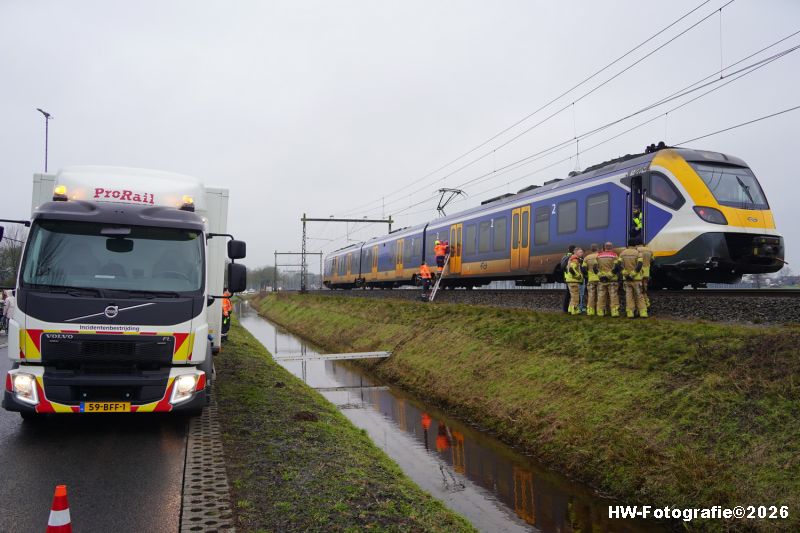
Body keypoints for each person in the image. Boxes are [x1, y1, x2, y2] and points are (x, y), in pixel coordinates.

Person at [619, 245, 648, 318]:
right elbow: (640, 265)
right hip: (637, 279)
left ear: (628, 245)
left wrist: (626, 274)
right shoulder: (638, 253)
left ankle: (630, 313)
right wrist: (632, 274)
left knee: (629, 296)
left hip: (627, 279)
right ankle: (643, 312)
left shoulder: (622, 253)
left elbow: (619, 265)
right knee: (639, 296)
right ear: (635, 245)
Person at [595, 242, 620, 317]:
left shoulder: (598, 256)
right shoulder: (614, 255)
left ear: (604, 247)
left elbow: (595, 268)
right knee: (613, 296)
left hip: (602, 280)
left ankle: (600, 311)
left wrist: (601, 276)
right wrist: (609, 276)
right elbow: (616, 267)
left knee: (601, 296)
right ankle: (614, 312)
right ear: (611, 247)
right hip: (612, 280)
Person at [564, 247, 584, 315]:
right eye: (580, 252)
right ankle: (575, 311)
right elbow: (571, 269)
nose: (582, 253)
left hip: (570, 280)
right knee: (576, 297)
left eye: (582, 252)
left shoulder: (572, 258)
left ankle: (570, 309)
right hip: (574, 280)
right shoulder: (575, 260)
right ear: (576, 252)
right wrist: (578, 276)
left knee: (573, 296)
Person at [582, 244, 600, 316]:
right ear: (597, 249)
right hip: (599, 278)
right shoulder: (600, 256)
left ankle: (590, 311)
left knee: (591, 295)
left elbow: (583, 269)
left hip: (591, 279)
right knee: (600, 295)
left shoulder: (587, 258)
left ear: (591, 250)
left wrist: (587, 275)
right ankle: (599, 310)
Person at [560, 244, 576, 313]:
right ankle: (572, 309)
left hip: (567, 277)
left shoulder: (565, 256)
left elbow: (562, 267)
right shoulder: (573, 257)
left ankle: (565, 309)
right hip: (572, 278)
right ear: (574, 250)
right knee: (573, 294)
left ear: (568, 250)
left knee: (568, 293)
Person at [637, 243, 654, 308]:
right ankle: (647, 303)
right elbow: (652, 260)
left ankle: (642, 304)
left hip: (639, 273)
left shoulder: (637, 250)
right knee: (644, 290)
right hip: (646, 272)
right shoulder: (649, 250)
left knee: (639, 290)